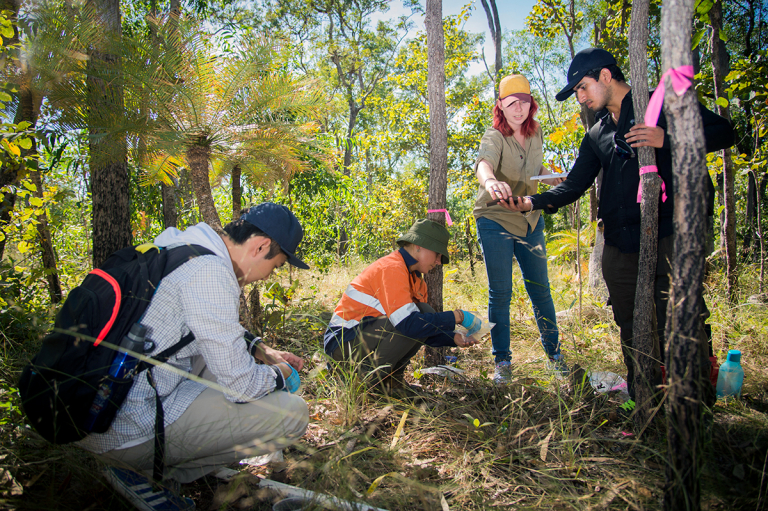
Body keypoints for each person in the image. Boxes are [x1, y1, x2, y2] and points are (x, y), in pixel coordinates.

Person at [506, 48, 735, 404]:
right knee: (631, 323)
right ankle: (647, 398)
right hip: (619, 241)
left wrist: (667, 139)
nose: (580, 98)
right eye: (576, 92)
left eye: (583, 87)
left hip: (670, 232)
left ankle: (693, 403)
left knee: (678, 315)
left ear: (606, 76)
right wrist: (531, 202)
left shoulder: (662, 105)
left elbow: (725, 132)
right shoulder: (597, 134)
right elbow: (575, 183)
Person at [78, 203, 310, 511]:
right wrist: (280, 374)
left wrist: (259, 348)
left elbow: (205, 324)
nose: (269, 276)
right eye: (277, 265)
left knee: (227, 362)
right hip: (124, 429)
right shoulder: (211, 272)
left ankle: (157, 463)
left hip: (97, 405)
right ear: (261, 247)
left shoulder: (182, 243)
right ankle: (145, 471)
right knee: (293, 414)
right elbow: (242, 385)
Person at [473, 74, 567, 383]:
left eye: (524, 103)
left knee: (541, 290)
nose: (519, 110)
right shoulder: (494, 135)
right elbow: (483, 164)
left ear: (531, 105)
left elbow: (535, 167)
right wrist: (491, 181)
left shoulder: (536, 132)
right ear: (500, 105)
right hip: (496, 219)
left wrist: (550, 176)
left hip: (530, 220)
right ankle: (502, 363)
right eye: (512, 103)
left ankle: (555, 356)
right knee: (501, 292)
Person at [323, 219, 481, 395]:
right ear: (419, 246)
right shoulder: (392, 267)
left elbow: (419, 332)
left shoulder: (417, 281)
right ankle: (363, 383)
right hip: (343, 345)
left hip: (361, 340)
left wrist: (453, 338)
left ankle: (390, 382)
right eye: (437, 254)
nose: (438, 262)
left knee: (421, 316)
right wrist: (458, 316)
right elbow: (408, 325)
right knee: (419, 315)